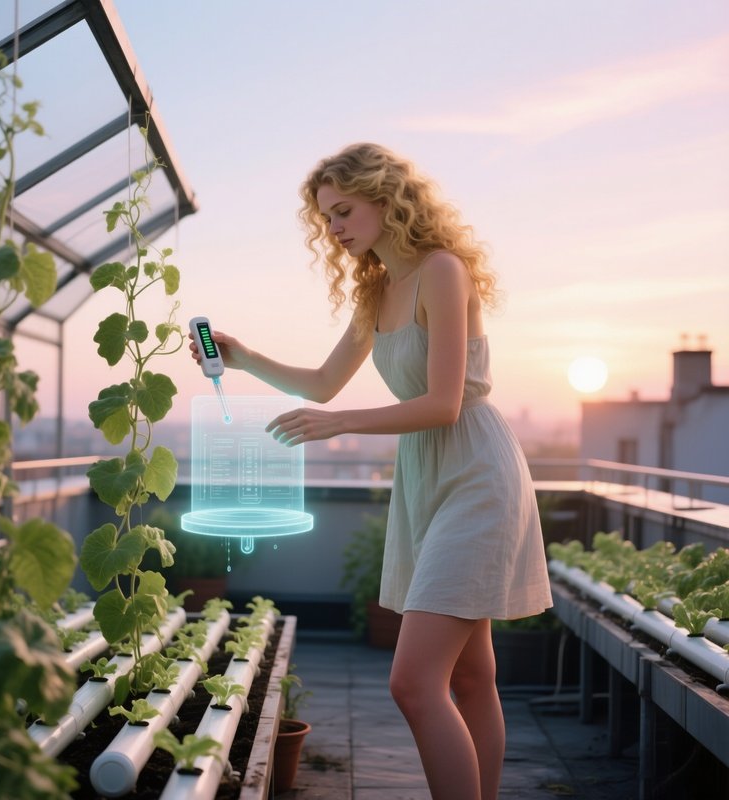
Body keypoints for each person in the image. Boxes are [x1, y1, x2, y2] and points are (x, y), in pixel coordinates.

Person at [189, 142, 553, 800]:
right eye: (325, 218)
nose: (333, 229)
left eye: (344, 211)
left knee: (414, 683)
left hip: (476, 476)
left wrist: (341, 425)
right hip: (427, 480)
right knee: (471, 680)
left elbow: (443, 404)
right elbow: (324, 383)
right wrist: (242, 358)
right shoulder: (376, 289)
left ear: (387, 201)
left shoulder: (442, 270)